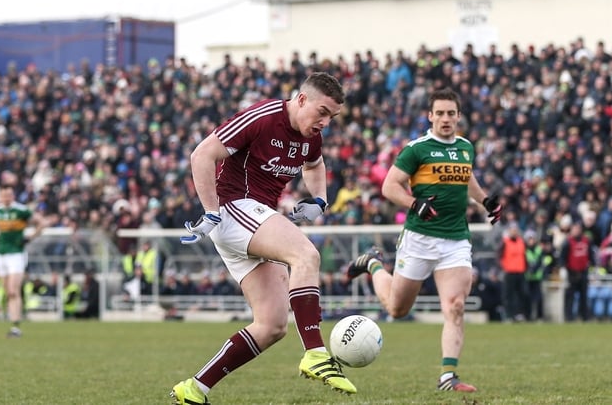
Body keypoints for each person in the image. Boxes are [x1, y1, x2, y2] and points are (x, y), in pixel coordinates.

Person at [170, 72, 357, 405]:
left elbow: (314, 165)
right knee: (306, 255)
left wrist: (319, 200)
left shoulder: (311, 136)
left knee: (271, 325)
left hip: (253, 219)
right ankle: (315, 353)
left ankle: (194, 389)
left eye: (332, 116)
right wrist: (211, 211)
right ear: (301, 99)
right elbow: (201, 155)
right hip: (234, 209)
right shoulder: (263, 117)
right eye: (323, 112)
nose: (326, 123)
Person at [345, 87, 502, 393]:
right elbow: (389, 186)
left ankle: (448, 376)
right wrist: (413, 203)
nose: (446, 119)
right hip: (419, 239)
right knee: (397, 309)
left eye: (451, 113)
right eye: (440, 113)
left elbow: (467, 177)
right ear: (430, 116)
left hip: (455, 239)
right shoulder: (416, 149)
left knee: (456, 305)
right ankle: (374, 265)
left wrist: (485, 200)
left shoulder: (466, 147)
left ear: (458, 116)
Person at [0, 185, 44, 337]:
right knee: (8, 292)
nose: (6, 198)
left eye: (9, 195)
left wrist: (31, 237)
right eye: (4, 196)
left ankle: (16, 326)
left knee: (14, 290)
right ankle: (13, 322)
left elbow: (41, 222)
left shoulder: (21, 210)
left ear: (13, 196)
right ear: (0, 197)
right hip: (2, 254)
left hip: (16, 254)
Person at [559, 220, 595, 322]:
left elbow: (591, 255)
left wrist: (593, 266)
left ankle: (584, 316)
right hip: (571, 272)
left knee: (584, 296)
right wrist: (562, 269)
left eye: (578, 229)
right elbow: (562, 257)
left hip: (583, 271)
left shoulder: (586, 241)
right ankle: (568, 317)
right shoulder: (567, 242)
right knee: (569, 296)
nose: (576, 231)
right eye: (574, 229)